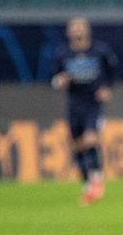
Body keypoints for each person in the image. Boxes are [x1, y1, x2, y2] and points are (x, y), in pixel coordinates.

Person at [50, 17, 117, 205]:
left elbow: (113, 71)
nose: (77, 31)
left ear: (87, 30)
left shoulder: (100, 51)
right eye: (74, 28)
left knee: (90, 138)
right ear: (68, 32)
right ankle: (87, 182)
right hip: (74, 103)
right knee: (77, 144)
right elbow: (54, 77)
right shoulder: (62, 53)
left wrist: (107, 88)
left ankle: (97, 179)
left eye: (80, 27)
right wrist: (59, 81)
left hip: (93, 103)